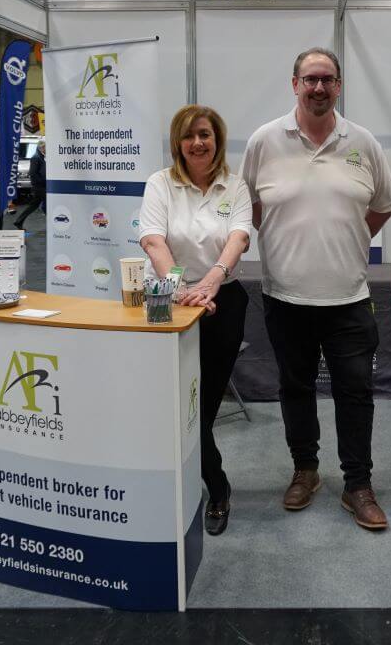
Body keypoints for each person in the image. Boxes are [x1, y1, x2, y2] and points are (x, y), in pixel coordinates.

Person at [241, 46, 391, 531]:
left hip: (349, 297)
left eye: (327, 79)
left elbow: (384, 206)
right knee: (296, 389)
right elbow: (247, 209)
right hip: (285, 298)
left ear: (339, 85)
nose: (318, 88)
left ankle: (358, 485)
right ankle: (305, 471)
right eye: (309, 79)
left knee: (356, 394)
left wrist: (347, 237)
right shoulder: (264, 141)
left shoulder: (363, 142)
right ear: (294, 84)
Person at [139, 105, 251, 536]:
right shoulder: (160, 184)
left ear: (217, 139)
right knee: (170, 404)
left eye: (205, 134)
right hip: (169, 303)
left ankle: (216, 490)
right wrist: (178, 285)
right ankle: (204, 484)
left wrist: (210, 283)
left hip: (222, 303)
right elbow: (153, 239)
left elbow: (238, 237)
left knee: (201, 406)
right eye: (189, 136)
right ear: (177, 143)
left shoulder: (234, 185)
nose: (198, 143)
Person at [13, 139, 46, 229]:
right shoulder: (36, 158)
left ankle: (18, 221)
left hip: (40, 186)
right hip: (39, 187)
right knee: (46, 204)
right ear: (41, 147)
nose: (46, 149)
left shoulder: (40, 157)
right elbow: (33, 173)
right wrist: (41, 182)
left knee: (34, 205)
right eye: (45, 147)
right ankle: (53, 223)